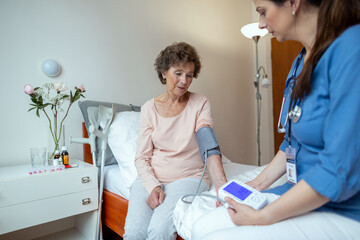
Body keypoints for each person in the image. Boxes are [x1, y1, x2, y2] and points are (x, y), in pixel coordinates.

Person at [191, 0, 360, 239]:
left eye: (262, 12)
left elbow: (338, 171)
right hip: (299, 191)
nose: (260, 24)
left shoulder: (352, 48)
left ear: (293, 3)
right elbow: (292, 143)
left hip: (341, 207)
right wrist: (255, 186)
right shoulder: (300, 62)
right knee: (200, 228)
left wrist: (263, 216)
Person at [124, 42, 227, 240]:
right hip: (152, 177)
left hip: (188, 177)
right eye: (178, 73)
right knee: (134, 233)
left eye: (189, 75)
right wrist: (152, 185)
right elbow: (141, 157)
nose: (184, 80)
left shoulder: (200, 102)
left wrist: (222, 187)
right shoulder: (148, 108)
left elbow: (207, 140)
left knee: (158, 231)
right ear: (163, 72)